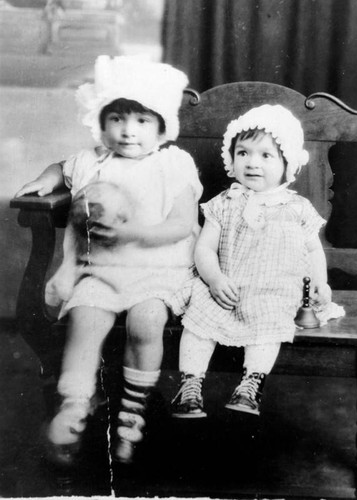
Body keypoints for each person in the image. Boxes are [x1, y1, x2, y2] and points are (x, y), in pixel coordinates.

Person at [15, 55, 202, 465]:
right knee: (86, 317)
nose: (127, 131)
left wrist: (134, 233)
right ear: (102, 123)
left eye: (140, 121)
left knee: (147, 319)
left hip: (159, 268)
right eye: (117, 119)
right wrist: (45, 181)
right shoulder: (92, 160)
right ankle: (76, 402)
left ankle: (134, 407)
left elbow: (180, 224)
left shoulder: (173, 163)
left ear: (161, 127)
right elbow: (61, 168)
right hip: (101, 268)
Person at [170, 104, 334, 419]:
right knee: (199, 312)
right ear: (231, 159)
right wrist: (215, 279)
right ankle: (190, 385)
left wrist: (320, 283)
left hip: (274, 289)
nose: (252, 163)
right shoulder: (224, 203)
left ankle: (250, 383)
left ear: (287, 165)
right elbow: (204, 249)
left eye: (265, 155)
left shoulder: (296, 207)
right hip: (227, 285)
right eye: (243, 153)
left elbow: (313, 252)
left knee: (271, 320)